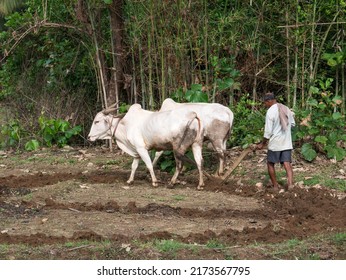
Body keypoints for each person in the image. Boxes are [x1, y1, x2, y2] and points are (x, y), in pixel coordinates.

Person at [257, 92, 295, 192]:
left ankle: (275, 186)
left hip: (276, 143)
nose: (265, 105)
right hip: (287, 142)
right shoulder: (286, 108)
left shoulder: (270, 111)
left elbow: (268, 132)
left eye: (265, 103)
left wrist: (262, 143)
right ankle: (290, 185)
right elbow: (292, 124)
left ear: (269, 101)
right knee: (287, 163)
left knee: (270, 163)